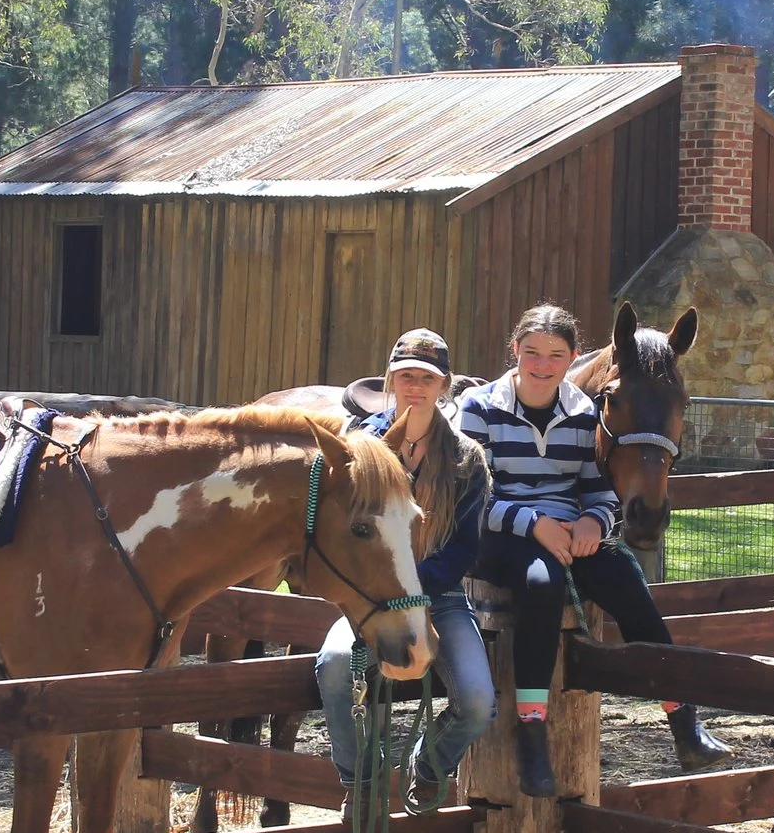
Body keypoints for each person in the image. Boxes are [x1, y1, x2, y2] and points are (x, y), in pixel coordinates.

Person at [460, 304, 730, 798]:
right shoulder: (479, 408)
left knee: (629, 587)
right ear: (514, 351)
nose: (542, 365)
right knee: (541, 586)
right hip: (500, 533)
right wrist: (535, 524)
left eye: (555, 356)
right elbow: (472, 495)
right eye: (532, 353)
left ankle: (684, 722)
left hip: (566, 529)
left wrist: (593, 520)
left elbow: (598, 488)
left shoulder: (584, 413)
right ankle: (532, 735)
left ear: (573, 358)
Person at [312, 329, 495, 793]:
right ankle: (361, 780)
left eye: (428, 379)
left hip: (442, 595)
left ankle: (430, 767)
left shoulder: (466, 459)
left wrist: (415, 586)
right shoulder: (358, 449)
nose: (416, 386)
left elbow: (464, 549)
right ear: (390, 380)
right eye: (407, 375)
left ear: (445, 386)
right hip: (370, 597)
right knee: (334, 665)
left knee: (477, 701)